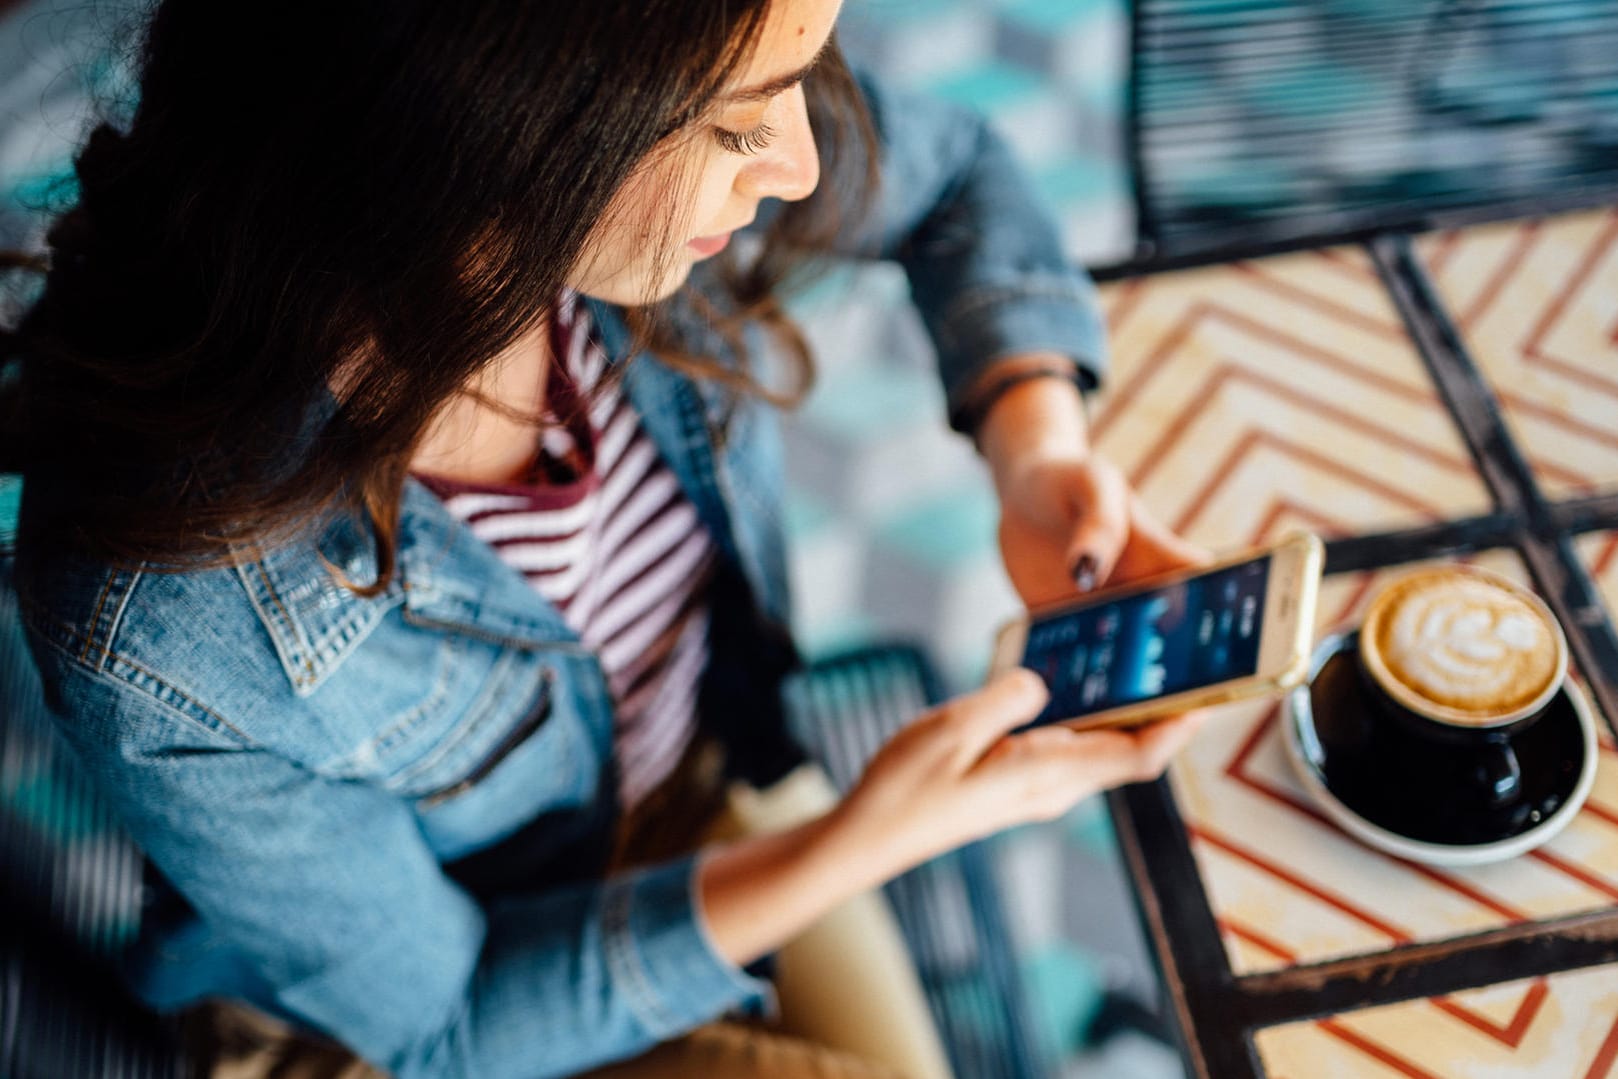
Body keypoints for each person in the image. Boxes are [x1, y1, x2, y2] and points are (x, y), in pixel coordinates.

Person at [0, 0, 1205, 1076]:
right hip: (406, 1011)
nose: (794, 164)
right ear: (502, 123)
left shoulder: (626, 174)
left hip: (692, 784)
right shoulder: (164, 613)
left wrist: (1034, 442)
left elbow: (951, 175)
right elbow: (444, 1023)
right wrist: (862, 836)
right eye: (740, 126)